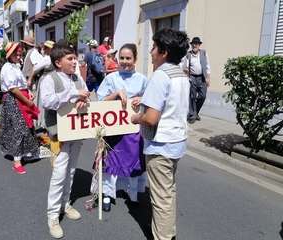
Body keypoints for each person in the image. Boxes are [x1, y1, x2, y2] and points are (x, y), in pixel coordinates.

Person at [131, 28, 190, 240]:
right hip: (176, 142)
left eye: (154, 47)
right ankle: (169, 233)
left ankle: (164, 237)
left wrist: (136, 118)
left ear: (164, 52)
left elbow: (151, 118)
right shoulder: (181, 75)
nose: (151, 51)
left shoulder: (160, 76)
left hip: (160, 144)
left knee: (160, 197)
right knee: (168, 192)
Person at [39, 40, 90, 239]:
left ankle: (65, 204)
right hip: (59, 132)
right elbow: (48, 101)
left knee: (71, 170)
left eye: (75, 58)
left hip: (76, 130)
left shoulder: (77, 77)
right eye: (70, 58)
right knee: (59, 173)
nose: (75, 61)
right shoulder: (49, 78)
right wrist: (74, 93)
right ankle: (52, 216)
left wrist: (82, 99)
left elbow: (85, 95)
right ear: (58, 62)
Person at [97, 43, 148, 211]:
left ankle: (132, 195)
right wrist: (116, 94)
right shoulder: (111, 78)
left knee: (133, 162)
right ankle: (106, 195)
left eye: (129, 58)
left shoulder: (142, 79)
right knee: (110, 163)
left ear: (135, 59)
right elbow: (100, 101)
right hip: (113, 129)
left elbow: (150, 101)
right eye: (122, 58)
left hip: (133, 129)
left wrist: (142, 99)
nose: (125, 61)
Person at [0, 42, 40, 175]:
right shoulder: (7, 68)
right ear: (9, 55)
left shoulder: (15, 67)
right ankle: (17, 162)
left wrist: (29, 92)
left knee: (26, 127)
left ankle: (24, 153)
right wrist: (27, 101)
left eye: (19, 52)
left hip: (20, 98)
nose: (18, 54)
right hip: (13, 100)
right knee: (18, 129)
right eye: (15, 53)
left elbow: (21, 84)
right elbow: (13, 89)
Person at [181, 37, 211, 123]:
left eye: (197, 43)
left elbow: (207, 65)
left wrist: (208, 77)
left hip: (202, 77)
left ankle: (195, 112)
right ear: (191, 45)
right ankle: (192, 115)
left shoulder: (204, 53)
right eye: (193, 43)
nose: (195, 45)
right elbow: (184, 66)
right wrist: (187, 75)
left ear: (199, 45)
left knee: (203, 96)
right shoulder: (188, 54)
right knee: (192, 96)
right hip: (192, 77)